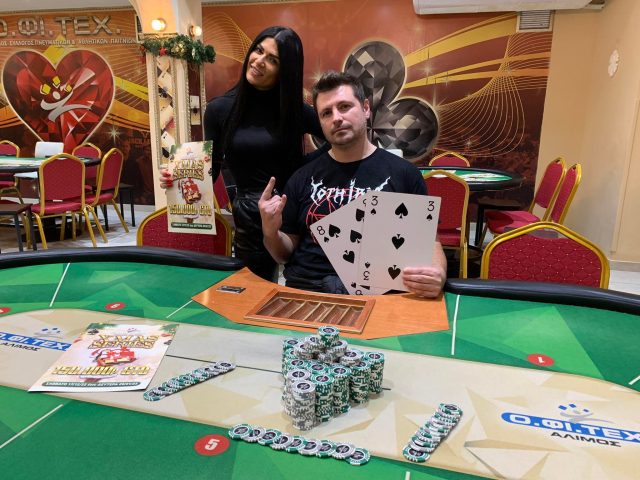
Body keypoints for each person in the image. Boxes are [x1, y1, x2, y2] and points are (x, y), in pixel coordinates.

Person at [259, 71, 447, 298]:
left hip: (379, 295)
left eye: (344, 107)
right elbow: (283, 255)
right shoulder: (301, 177)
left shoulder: (405, 174)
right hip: (307, 290)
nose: (336, 118)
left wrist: (438, 272)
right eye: (326, 113)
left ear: (366, 108)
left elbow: (430, 242)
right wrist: (270, 232)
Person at [161, 26, 324, 281]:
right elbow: (212, 167)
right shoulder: (219, 109)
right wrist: (180, 179)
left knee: (304, 285)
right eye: (258, 50)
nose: (259, 61)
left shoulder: (296, 111)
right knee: (254, 289)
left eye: (273, 60)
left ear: (285, 71)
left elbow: (336, 143)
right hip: (250, 217)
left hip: (295, 208)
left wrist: (301, 168)